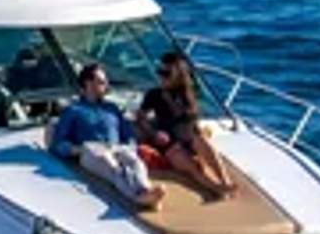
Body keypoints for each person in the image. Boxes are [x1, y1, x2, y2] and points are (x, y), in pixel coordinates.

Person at [46, 63, 158, 211]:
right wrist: (77, 149)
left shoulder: (112, 108)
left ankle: (146, 189)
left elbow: (128, 134)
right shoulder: (73, 110)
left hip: (116, 147)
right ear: (88, 84)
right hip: (91, 149)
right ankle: (137, 196)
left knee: (136, 163)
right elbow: (57, 144)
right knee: (112, 167)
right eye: (102, 82)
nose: (106, 85)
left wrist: (130, 147)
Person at [136, 47, 237, 197]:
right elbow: (140, 117)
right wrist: (154, 133)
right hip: (169, 143)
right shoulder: (154, 95)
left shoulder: (188, 95)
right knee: (188, 164)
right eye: (160, 72)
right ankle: (215, 187)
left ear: (178, 75)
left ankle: (225, 180)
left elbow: (190, 120)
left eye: (166, 73)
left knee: (204, 144)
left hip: (189, 138)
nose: (161, 77)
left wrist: (198, 133)